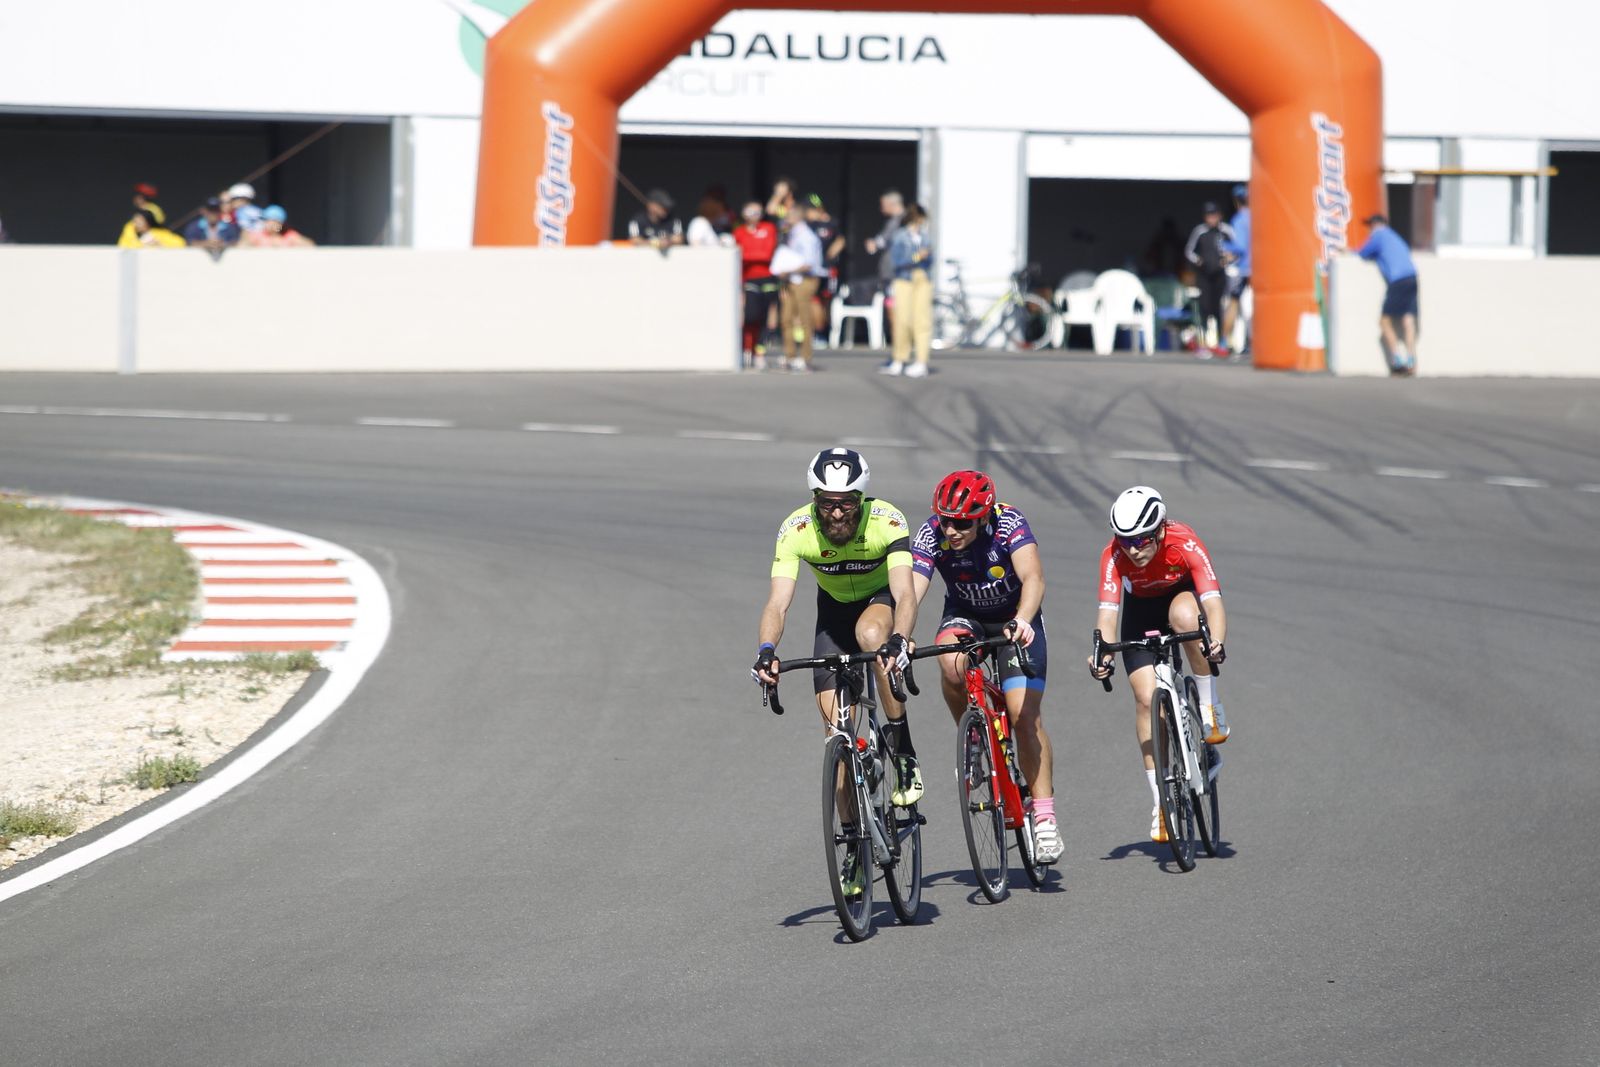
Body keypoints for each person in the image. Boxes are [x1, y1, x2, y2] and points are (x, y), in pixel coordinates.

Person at [752, 447, 924, 897]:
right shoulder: (796, 529)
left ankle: (903, 750)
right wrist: (767, 650)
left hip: (878, 605)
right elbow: (777, 602)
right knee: (836, 737)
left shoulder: (887, 520)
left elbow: (906, 594)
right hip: (831, 617)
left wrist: (899, 640)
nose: (836, 511)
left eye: (846, 501)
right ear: (814, 498)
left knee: (872, 635)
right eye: (826, 502)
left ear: (861, 498)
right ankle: (853, 848)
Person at [910, 470, 1062, 864]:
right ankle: (974, 736)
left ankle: (1044, 817)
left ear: (983, 516)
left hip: (1015, 617)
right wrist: (900, 635)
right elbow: (910, 591)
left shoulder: (1009, 522)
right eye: (945, 520)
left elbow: (1034, 578)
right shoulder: (932, 534)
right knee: (950, 659)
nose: (951, 529)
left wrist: (1024, 619)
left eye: (961, 523)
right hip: (965, 615)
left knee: (1022, 715)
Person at [1087, 486, 1229, 844]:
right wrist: (1103, 653)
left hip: (1179, 602)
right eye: (1126, 540)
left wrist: (1216, 641)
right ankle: (1161, 804)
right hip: (1139, 615)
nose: (1134, 549)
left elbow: (1212, 601)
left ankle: (1209, 705)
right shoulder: (1114, 554)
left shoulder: (1185, 541)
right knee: (1146, 699)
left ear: (1161, 528)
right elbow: (1107, 614)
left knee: (1186, 616)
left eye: (1142, 540)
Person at [1357, 214, 1420, 376]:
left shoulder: (1379, 236)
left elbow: (1363, 254)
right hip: (1412, 278)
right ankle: (1411, 360)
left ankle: (1397, 361)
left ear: (1376, 225)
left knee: (1384, 321)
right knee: (1408, 319)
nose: (1369, 229)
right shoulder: (1395, 237)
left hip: (1397, 281)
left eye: (1370, 225)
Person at [770, 199, 824, 373]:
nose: (786, 218)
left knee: (805, 318)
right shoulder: (790, 234)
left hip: (805, 280)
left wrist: (787, 270)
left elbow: (809, 263)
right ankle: (790, 355)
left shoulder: (806, 236)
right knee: (786, 318)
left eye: (790, 215)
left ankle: (806, 357)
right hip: (790, 280)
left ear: (798, 217)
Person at [884, 203, 935, 378]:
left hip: (922, 279)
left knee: (922, 321)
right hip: (904, 279)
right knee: (903, 320)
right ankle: (899, 358)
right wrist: (916, 256)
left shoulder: (925, 236)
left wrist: (925, 257)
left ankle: (921, 361)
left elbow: (931, 259)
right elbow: (897, 261)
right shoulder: (900, 236)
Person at [1184, 201, 1237, 357]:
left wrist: (1228, 260)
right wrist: (1199, 261)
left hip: (1221, 275)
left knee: (1220, 307)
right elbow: (1189, 251)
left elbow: (1238, 249)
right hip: (1204, 275)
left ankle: (1223, 341)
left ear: (1219, 215)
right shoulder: (1200, 231)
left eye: (1214, 215)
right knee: (1205, 307)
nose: (1211, 218)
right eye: (1208, 215)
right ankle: (1204, 342)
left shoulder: (1226, 231)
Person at [732, 201, 779, 370]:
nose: (754, 215)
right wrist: (747, 255)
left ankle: (760, 352)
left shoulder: (769, 228)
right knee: (750, 315)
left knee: (765, 318)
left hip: (767, 278)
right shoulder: (739, 232)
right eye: (750, 211)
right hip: (748, 279)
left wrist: (748, 254)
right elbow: (736, 254)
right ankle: (746, 348)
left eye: (757, 211)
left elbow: (767, 254)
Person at [863, 189, 905, 346]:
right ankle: (899, 346)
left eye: (883, 205)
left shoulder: (900, 221)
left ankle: (899, 347)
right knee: (892, 307)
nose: (881, 208)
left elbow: (886, 240)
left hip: (896, 274)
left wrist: (874, 244)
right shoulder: (896, 220)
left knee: (895, 310)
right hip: (892, 275)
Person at [803, 193, 845, 344]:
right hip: (811, 270)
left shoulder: (831, 223)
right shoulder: (806, 225)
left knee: (824, 301)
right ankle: (817, 332)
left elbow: (840, 240)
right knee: (812, 300)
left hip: (827, 270)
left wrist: (829, 256)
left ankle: (823, 332)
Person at [1220, 184, 1251, 355]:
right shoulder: (1259, 216)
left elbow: (1240, 247)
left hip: (1244, 269)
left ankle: (1224, 342)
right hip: (1258, 269)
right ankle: (1251, 342)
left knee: (1233, 304)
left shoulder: (1239, 219)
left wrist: (1225, 246)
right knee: (1251, 308)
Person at [243, 205, 315, 247]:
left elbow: (310, 245)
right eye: (267, 220)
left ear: (281, 223)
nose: (270, 224)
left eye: (274, 221)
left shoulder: (288, 235)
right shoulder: (258, 235)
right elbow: (242, 247)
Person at [116, 209, 185, 248]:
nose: (136, 224)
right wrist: (142, 245)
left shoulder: (159, 233)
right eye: (135, 221)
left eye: (140, 221)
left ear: (148, 222)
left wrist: (161, 245)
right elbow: (122, 245)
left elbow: (180, 243)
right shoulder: (130, 230)